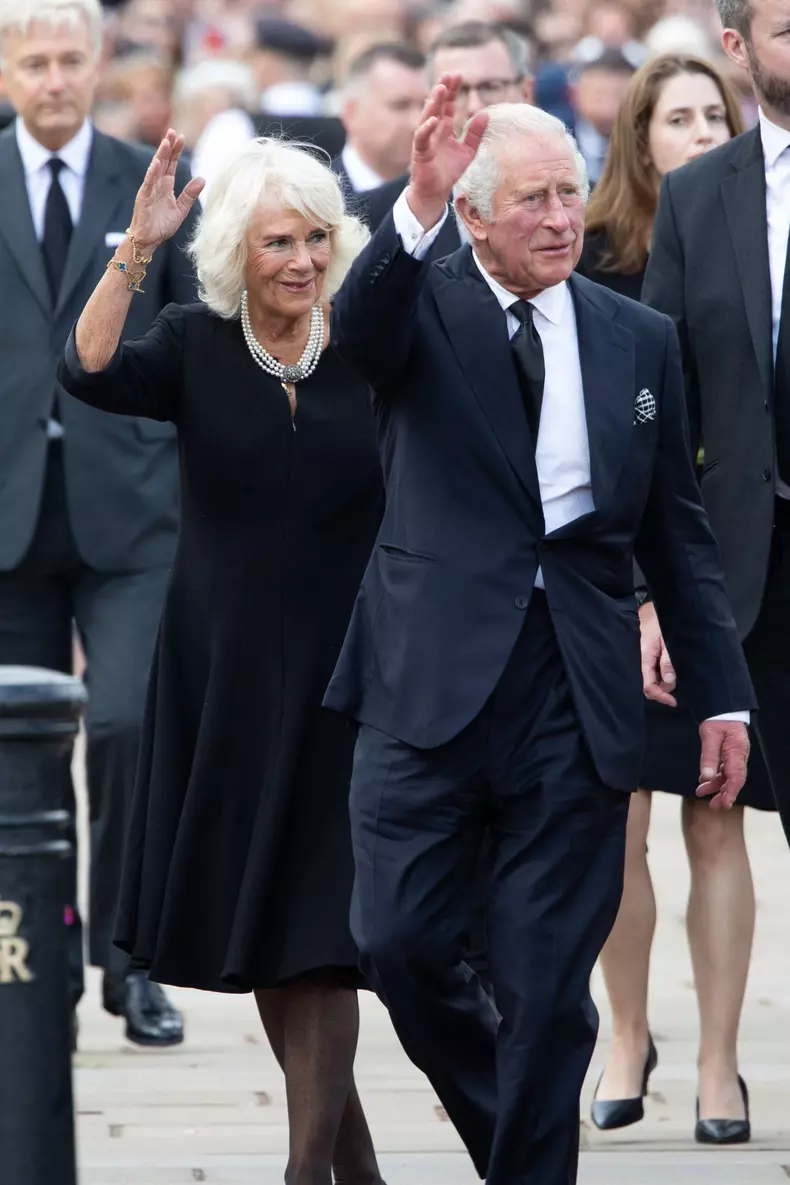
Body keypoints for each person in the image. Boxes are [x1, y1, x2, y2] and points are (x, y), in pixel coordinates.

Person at [325, 76, 754, 1184]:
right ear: (472, 215)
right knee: (399, 945)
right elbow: (355, 335)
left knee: (548, 986)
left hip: (577, 688)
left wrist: (721, 694)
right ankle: (516, 1145)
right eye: (532, 199)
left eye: (570, 192)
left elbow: (677, 535)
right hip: (425, 681)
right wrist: (414, 207)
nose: (563, 218)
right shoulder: (420, 306)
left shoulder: (635, 337)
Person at [58, 130, 385, 1185]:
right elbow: (87, 369)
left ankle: (303, 1175)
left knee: (324, 927)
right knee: (279, 929)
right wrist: (137, 249)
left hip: (349, 672)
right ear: (236, 251)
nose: (301, 259)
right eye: (277, 241)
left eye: (316, 238)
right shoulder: (194, 342)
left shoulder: (368, 341)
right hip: (225, 671)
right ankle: (352, 1174)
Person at [0, 0, 196, 1048]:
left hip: (132, 508)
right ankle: (33, 968)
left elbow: (191, 327)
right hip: (7, 517)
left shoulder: (147, 178)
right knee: (17, 754)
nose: (53, 78)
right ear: (6, 69)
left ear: (98, 61)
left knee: (124, 728)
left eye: (69, 58)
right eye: (34, 61)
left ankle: (130, 961)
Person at [577, 53, 761, 1146]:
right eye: (677, 117)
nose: (698, 132)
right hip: (625, 565)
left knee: (715, 809)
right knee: (619, 816)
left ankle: (721, 1065)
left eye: (712, 116)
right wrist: (639, 588)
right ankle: (627, 1031)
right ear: (639, 137)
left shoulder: (756, 227)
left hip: (733, 559)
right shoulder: (591, 249)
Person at [643, 0, 790, 854]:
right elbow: (666, 412)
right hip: (758, 572)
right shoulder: (696, 197)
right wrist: (654, 590)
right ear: (737, 47)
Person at [364, 19, 533, 257]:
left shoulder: (580, 202)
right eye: (458, 91)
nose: (475, 106)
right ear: (430, 101)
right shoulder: (378, 216)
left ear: (526, 91)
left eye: (491, 86)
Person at [333, 43, 427, 196]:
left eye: (426, 105)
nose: (417, 123)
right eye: (400, 106)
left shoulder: (448, 200)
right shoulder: (317, 200)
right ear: (352, 113)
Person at [568, 49, 636, 184]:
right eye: (599, 94)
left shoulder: (646, 145)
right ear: (575, 94)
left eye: (618, 94)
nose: (609, 106)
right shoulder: (556, 139)